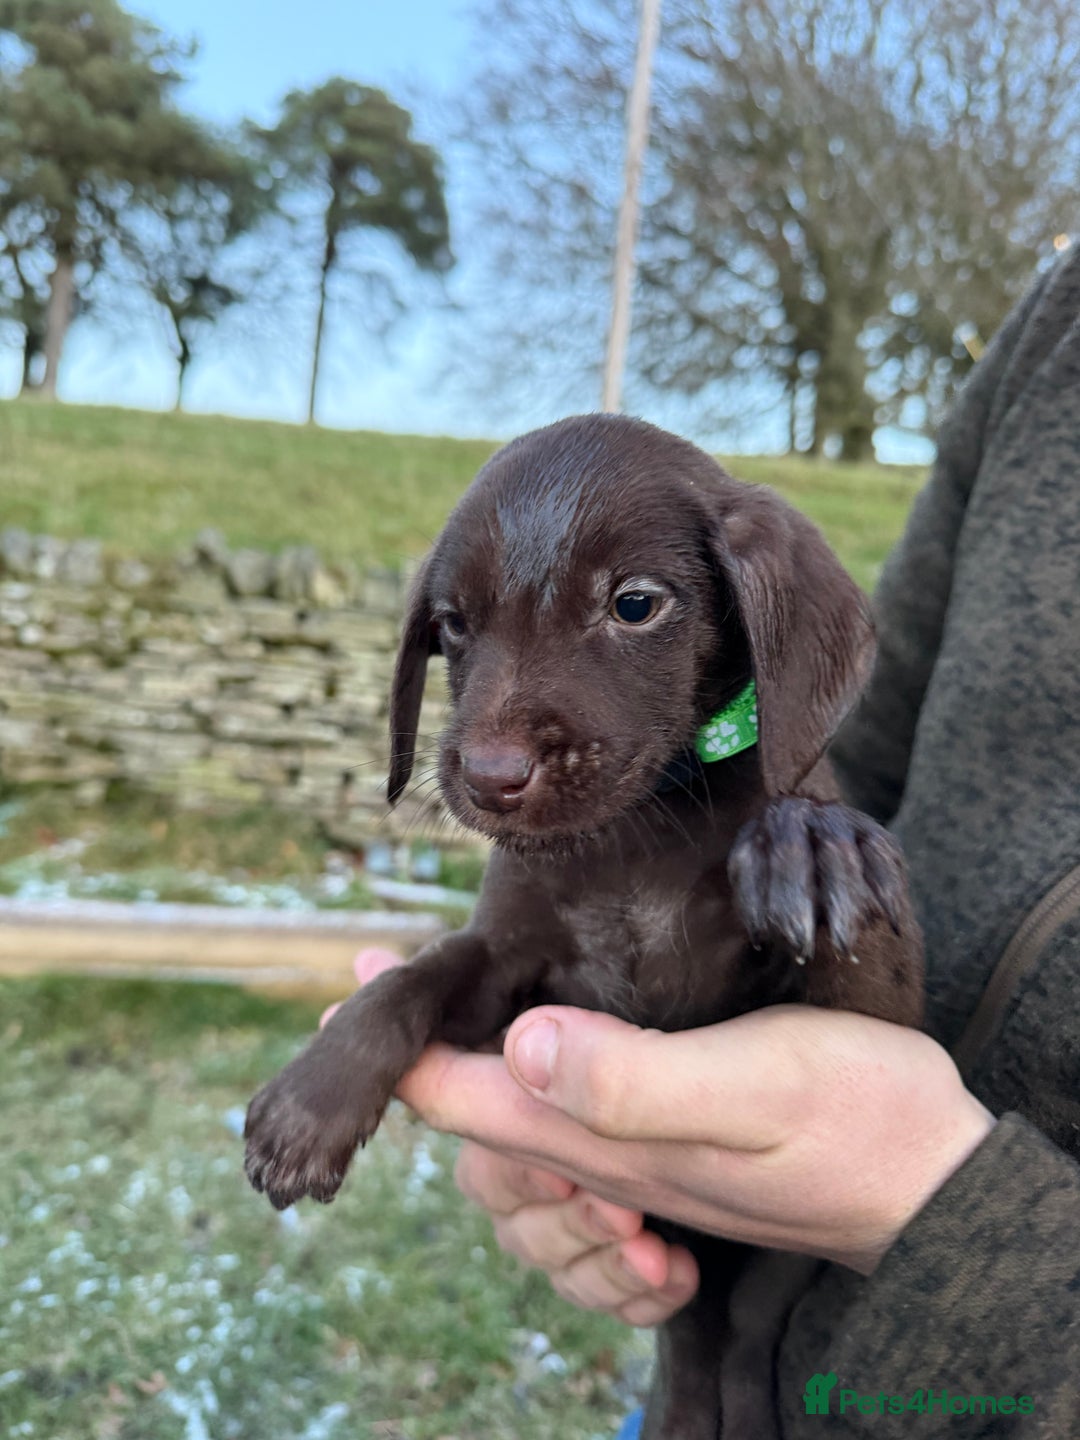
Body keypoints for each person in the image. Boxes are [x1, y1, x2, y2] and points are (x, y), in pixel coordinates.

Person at [343, 245, 1080, 1435]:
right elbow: (829, 734)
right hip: (723, 1351)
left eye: (634, 606)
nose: (490, 742)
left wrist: (952, 1218)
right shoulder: (1064, 320)